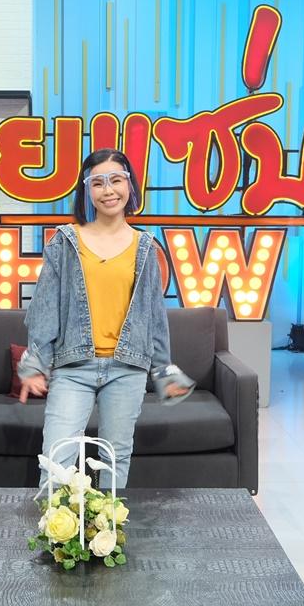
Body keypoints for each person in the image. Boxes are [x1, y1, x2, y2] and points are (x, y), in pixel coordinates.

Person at [17, 149, 193, 491]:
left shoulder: (146, 246)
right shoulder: (65, 242)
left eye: (116, 180)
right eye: (98, 182)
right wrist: (35, 364)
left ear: (130, 185)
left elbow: (154, 316)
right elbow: (45, 308)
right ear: (87, 190)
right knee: (56, 459)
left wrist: (163, 371)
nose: (108, 190)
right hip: (73, 367)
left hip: (128, 369)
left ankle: (109, 527)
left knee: (115, 458)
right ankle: (55, 525)